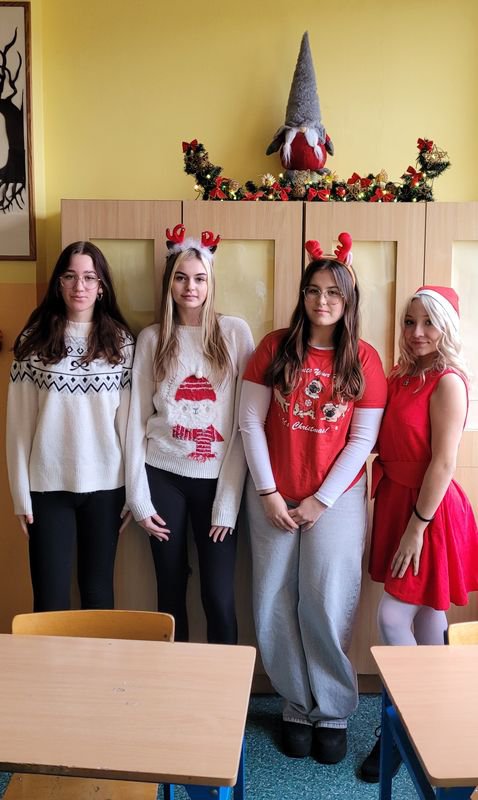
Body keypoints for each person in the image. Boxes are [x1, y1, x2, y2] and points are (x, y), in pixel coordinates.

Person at [239, 233, 387, 764]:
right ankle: (296, 706)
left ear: (348, 300)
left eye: (333, 292)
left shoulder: (364, 359)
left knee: (326, 601)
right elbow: (249, 422)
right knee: (273, 600)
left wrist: (320, 500)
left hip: (336, 500)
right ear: (302, 295)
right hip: (272, 494)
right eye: (313, 290)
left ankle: (333, 710)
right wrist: (268, 492)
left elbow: (362, 441)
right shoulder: (273, 347)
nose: (322, 301)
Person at [359, 285, 478, 783]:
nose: (416, 332)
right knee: (429, 617)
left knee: (392, 618)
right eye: (409, 322)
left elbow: (444, 463)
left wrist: (417, 529)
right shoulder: (402, 376)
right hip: (397, 500)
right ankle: (440, 720)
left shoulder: (449, 382)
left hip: (429, 510)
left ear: (446, 326)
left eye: (428, 322)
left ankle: (408, 725)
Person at [125, 224, 254, 644]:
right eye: (181, 278)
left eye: (199, 278)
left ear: (211, 282)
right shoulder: (151, 339)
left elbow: (244, 425)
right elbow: (135, 421)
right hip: (162, 476)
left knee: (218, 596)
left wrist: (228, 503)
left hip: (217, 481)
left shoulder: (234, 334)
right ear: (169, 282)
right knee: (169, 589)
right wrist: (137, 497)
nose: (190, 288)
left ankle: (225, 681)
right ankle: (173, 678)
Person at [6, 241, 134, 612]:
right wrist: (20, 494)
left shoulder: (122, 343)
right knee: (50, 600)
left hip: (106, 487)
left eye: (90, 278)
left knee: (98, 595)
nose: (80, 286)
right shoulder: (34, 340)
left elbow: (129, 427)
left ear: (101, 286)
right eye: (70, 276)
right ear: (59, 283)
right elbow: (18, 426)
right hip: (47, 488)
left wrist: (133, 492)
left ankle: (100, 657)